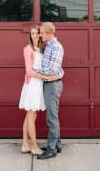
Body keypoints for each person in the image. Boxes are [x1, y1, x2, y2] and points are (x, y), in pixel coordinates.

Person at [19, 25, 58, 155]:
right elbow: (29, 71)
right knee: (31, 114)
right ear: (30, 36)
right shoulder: (28, 49)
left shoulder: (41, 49)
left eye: (37, 33)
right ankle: (34, 146)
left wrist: (48, 75)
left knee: (31, 114)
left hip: (39, 85)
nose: (35, 36)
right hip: (32, 85)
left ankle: (25, 144)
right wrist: (46, 76)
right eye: (33, 34)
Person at [36, 22, 64, 160]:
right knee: (53, 116)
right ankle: (57, 144)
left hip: (52, 85)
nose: (40, 35)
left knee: (51, 118)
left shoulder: (56, 47)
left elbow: (51, 70)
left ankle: (51, 149)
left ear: (48, 33)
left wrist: (35, 71)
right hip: (48, 83)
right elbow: (47, 68)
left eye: (41, 32)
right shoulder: (48, 46)